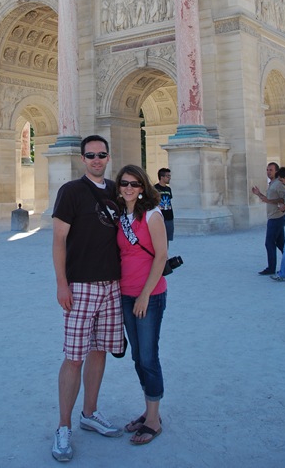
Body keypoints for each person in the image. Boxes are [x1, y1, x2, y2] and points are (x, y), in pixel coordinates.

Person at [51, 135, 124, 462]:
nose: (96, 159)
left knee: (99, 350)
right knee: (74, 356)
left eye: (101, 155)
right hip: (80, 285)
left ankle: (90, 413)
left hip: (112, 285)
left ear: (108, 158)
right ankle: (63, 425)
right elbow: (58, 240)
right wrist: (61, 284)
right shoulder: (71, 191)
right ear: (83, 159)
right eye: (91, 155)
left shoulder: (117, 191)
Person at [116, 164, 167, 446]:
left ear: (143, 187)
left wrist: (145, 295)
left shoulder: (152, 214)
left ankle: (154, 420)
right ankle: (149, 410)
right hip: (126, 294)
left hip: (149, 295)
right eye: (124, 183)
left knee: (148, 356)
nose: (129, 188)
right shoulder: (119, 215)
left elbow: (161, 256)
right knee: (137, 356)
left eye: (134, 184)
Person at [252, 162, 285, 275]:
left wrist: (270, 201)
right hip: (274, 217)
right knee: (281, 244)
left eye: (271, 170)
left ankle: (271, 268)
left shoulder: (279, 184)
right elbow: (268, 199)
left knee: (269, 243)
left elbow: (284, 199)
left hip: (276, 218)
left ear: (276, 171)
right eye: (267, 170)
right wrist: (258, 194)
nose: (268, 172)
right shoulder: (272, 184)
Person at [154, 168, 174, 242]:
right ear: (162, 177)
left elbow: (169, 200)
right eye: (167, 176)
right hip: (159, 217)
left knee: (167, 239)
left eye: (170, 176)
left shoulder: (168, 189)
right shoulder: (154, 189)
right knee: (159, 238)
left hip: (169, 216)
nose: (169, 178)